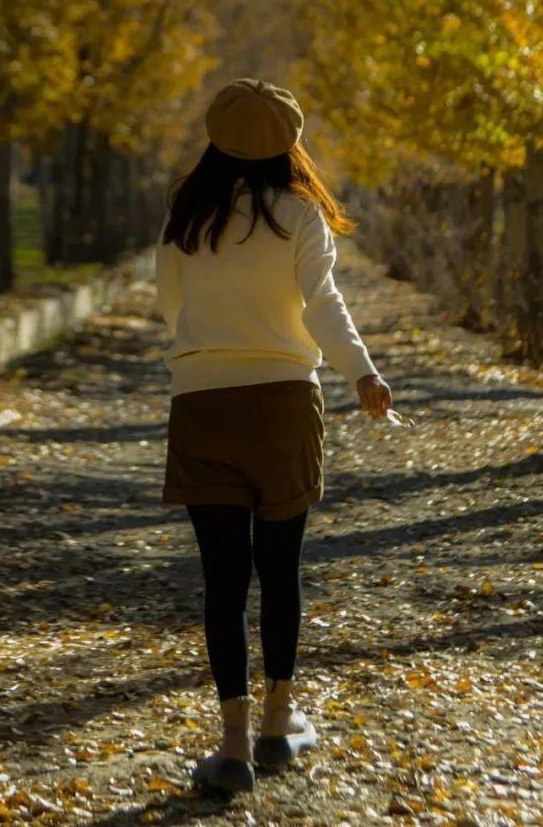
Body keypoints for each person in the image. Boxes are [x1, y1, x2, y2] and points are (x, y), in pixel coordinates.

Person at [156, 77, 394, 796]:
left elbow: (171, 305)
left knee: (223, 582)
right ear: (290, 144)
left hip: (203, 403)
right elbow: (323, 303)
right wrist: (364, 373)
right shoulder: (301, 214)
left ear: (216, 138)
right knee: (280, 567)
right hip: (287, 402)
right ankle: (279, 721)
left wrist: (211, 343)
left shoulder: (187, 214)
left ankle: (232, 748)